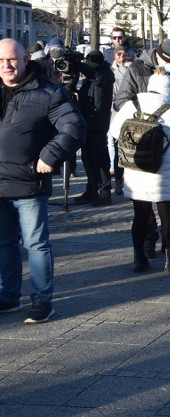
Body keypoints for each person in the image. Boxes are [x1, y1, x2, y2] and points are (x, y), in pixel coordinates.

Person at [0, 38, 86, 323]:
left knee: (35, 245)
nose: (6, 65)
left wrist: (51, 154)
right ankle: (8, 296)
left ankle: (41, 301)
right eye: (1, 61)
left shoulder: (49, 93)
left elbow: (74, 126)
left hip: (28, 182)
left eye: (12, 59)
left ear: (26, 60)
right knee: (4, 244)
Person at [115, 38, 170, 258]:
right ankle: (148, 242)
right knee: (148, 206)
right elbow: (121, 100)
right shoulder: (137, 69)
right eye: (168, 61)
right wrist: (145, 119)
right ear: (158, 55)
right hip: (141, 146)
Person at [73, 50, 115, 207]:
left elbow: (96, 77)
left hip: (98, 124)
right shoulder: (95, 73)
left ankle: (105, 192)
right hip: (87, 122)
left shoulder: (104, 74)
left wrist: (79, 65)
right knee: (87, 158)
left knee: (100, 160)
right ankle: (91, 189)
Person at [108, 46, 131, 196]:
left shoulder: (137, 76)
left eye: (125, 54)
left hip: (133, 118)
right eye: (119, 54)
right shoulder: (114, 76)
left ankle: (130, 183)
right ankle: (118, 182)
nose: (122, 56)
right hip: (118, 117)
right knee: (117, 151)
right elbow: (112, 98)